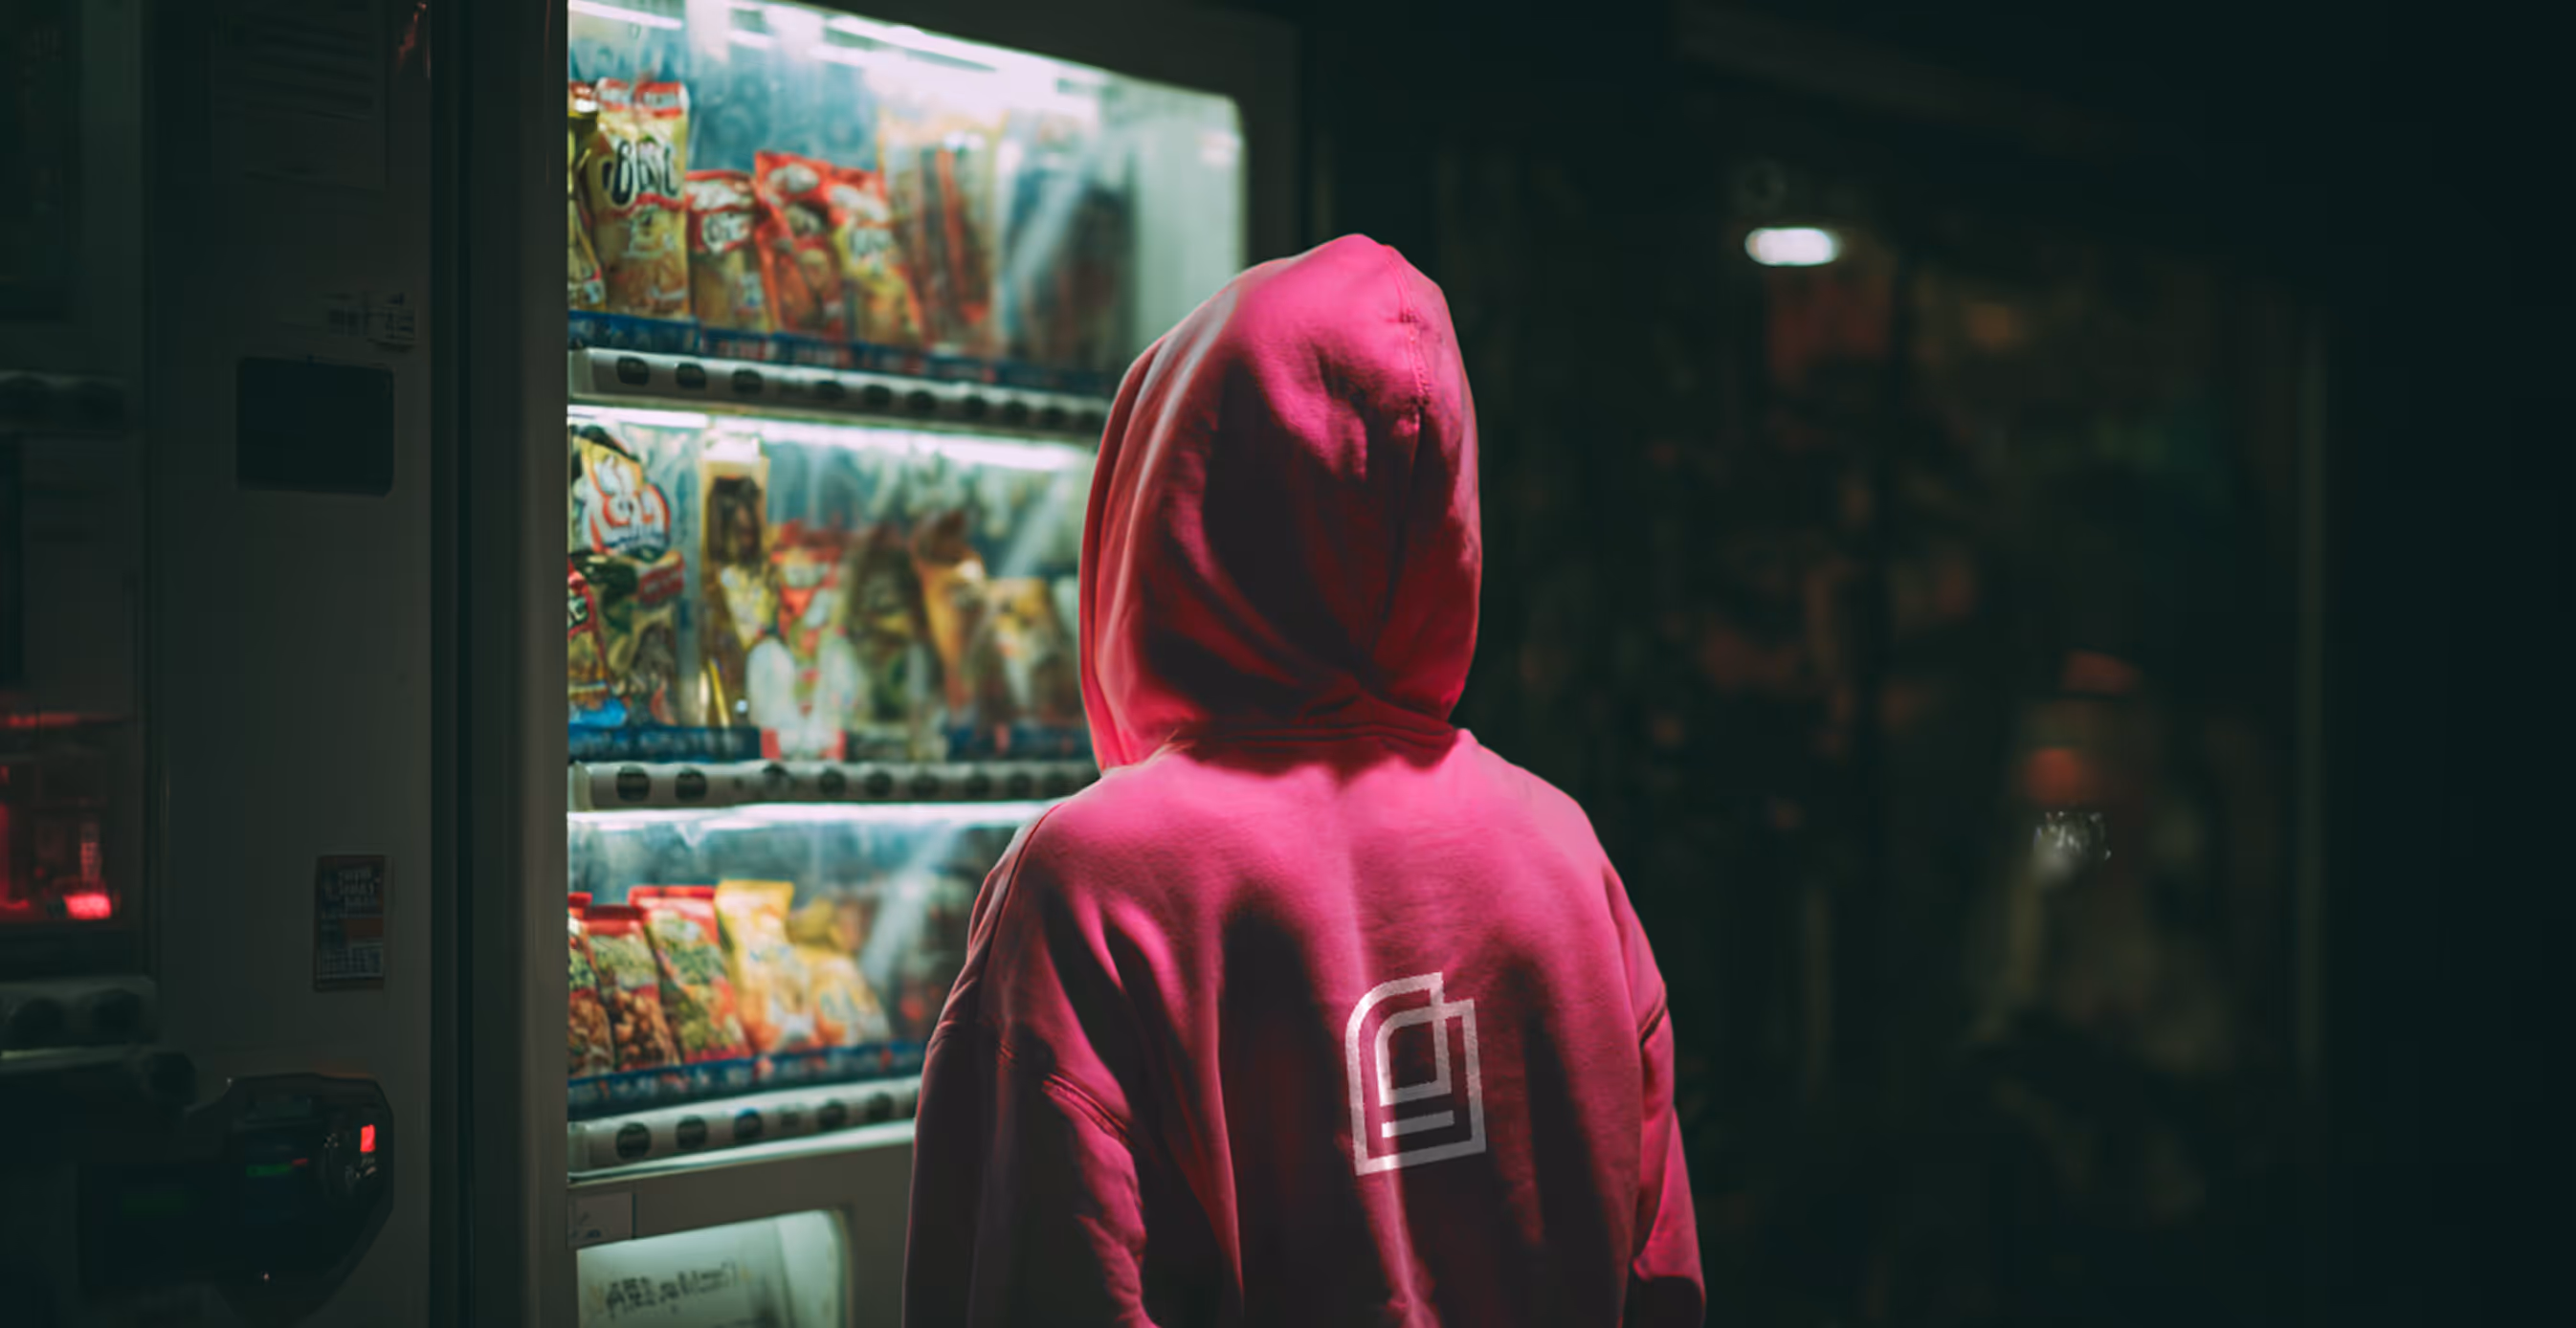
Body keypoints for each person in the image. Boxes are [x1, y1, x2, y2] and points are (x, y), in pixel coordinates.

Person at [903, 235, 1703, 1327]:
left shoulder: (1092, 877)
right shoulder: (1562, 849)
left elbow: (1035, 1281)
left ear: (1171, 483)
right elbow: (1660, 1282)